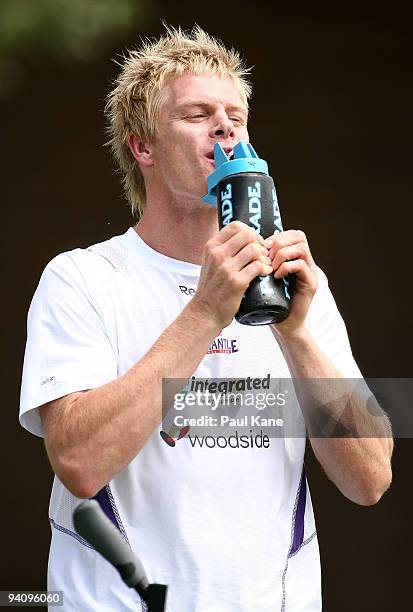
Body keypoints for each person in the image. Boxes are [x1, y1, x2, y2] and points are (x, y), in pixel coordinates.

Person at [19, 25, 393, 611]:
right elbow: (79, 463)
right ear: (142, 145)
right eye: (196, 114)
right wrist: (204, 312)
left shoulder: (294, 283)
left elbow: (370, 479)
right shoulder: (83, 278)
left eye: (236, 117)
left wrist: (296, 335)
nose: (224, 127)